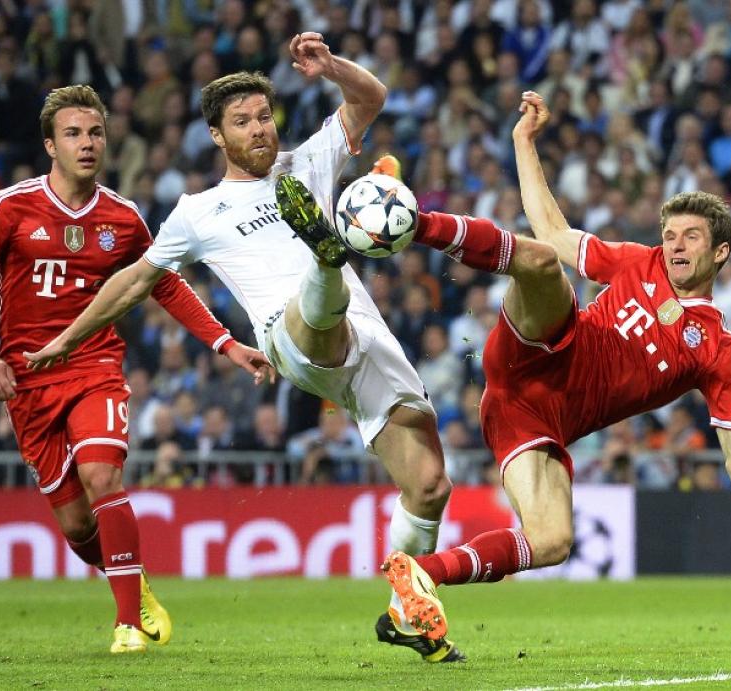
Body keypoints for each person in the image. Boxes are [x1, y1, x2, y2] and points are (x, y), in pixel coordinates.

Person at [24, 34, 460, 663]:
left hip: (367, 339)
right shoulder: (198, 212)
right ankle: (327, 255)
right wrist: (68, 338)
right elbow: (134, 283)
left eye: (264, 117)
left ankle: (406, 612)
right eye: (242, 122)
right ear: (216, 136)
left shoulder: (307, 163)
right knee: (318, 303)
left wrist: (332, 67)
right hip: (292, 337)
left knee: (430, 485)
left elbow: (372, 98)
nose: (259, 130)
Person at [377, 92, 731, 645]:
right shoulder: (639, 262)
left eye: (691, 237)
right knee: (545, 261)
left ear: (720, 253)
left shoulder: (717, 349)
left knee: (552, 541)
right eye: (670, 235)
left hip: (529, 420)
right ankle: (413, 220)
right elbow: (551, 232)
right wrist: (524, 142)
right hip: (542, 347)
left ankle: (423, 576)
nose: (674, 246)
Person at [0, 85, 272, 654]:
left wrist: (226, 344)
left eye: (96, 132)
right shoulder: (9, 206)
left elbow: (164, 284)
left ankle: (127, 624)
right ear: (51, 144)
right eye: (73, 134)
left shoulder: (122, 219)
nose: (87, 143)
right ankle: (131, 582)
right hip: (28, 381)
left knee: (103, 478)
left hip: (95, 366)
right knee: (76, 524)